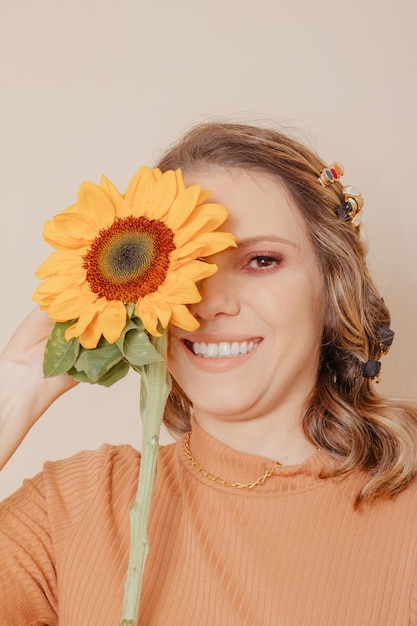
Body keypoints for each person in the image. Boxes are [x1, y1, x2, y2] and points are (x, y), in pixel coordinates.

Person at [1, 122, 416, 625]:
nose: (210, 302)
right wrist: (18, 384)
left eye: (261, 260)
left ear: (333, 286)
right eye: (185, 267)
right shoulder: (74, 508)